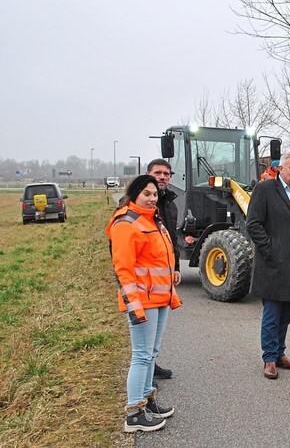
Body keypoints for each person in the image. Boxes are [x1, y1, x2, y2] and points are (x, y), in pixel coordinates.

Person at [107, 175, 182, 432]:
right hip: (143, 301)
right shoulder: (127, 223)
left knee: (151, 354)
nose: (152, 198)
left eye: (154, 194)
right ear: (135, 194)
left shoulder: (153, 220)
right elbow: (124, 270)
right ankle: (134, 413)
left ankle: (147, 401)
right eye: (146, 194)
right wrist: (134, 306)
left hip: (159, 298)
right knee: (140, 355)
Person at [246, 152, 290, 380]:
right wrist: (271, 250)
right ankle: (269, 359)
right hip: (272, 266)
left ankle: (280, 353)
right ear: (280, 169)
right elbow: (253, 225)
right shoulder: (264, 190)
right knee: (272, 314)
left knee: (286, 315)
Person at [146, 159, 180, 381]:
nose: (163, 177)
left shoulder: (170, 204)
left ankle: (152, 365)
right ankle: (143, 380)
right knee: (144, 335)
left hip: (163, 276)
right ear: (148, 174)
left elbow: (171, 239)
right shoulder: (136, 205)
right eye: (158, 173)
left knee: (156, 332)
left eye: (166, 173)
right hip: (144, 278)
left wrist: (176, 267)